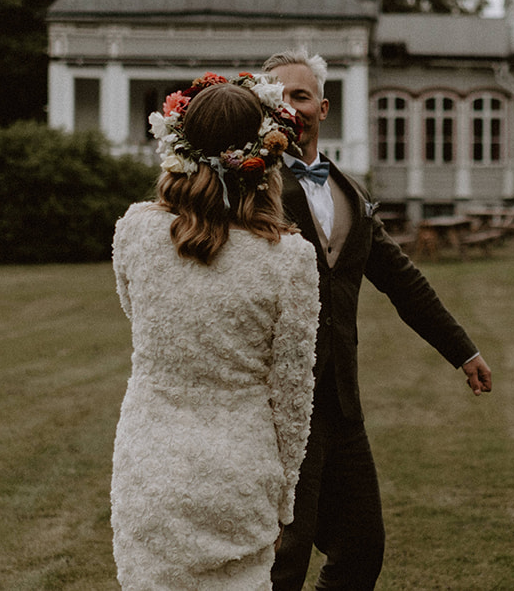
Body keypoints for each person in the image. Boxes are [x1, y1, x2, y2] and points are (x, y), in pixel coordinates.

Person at [263, 48, 493, 591]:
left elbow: (401, 280)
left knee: (362, 551)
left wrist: (463, 350)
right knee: (281, 564)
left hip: (342, 405)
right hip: (279, 409)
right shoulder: (250, 190)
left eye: (300, 95)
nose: (289, 106)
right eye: (277, 97)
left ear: (322, 107)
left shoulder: (350, 191)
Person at [111, 72, 322, 590]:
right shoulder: (290, 260)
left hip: (150, 466)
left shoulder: (136, 231)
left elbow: (139, 319)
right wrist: (284, 498)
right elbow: (292, 398)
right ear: (264, 157)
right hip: (241, 473)